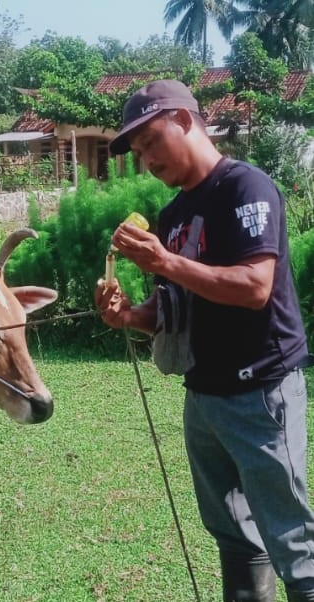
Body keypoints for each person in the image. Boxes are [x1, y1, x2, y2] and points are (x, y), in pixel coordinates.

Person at [95, 79, 314, 602]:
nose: (146, 159)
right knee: (235, 536)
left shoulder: (245, 188)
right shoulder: (172, 218)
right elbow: (173, 314)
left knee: (292, 540)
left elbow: (255, 288)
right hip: (205, 397)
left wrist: (164, 262)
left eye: (151, 141)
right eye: (139, 151)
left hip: (260, 393)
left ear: (186, 121)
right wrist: (130, 315)